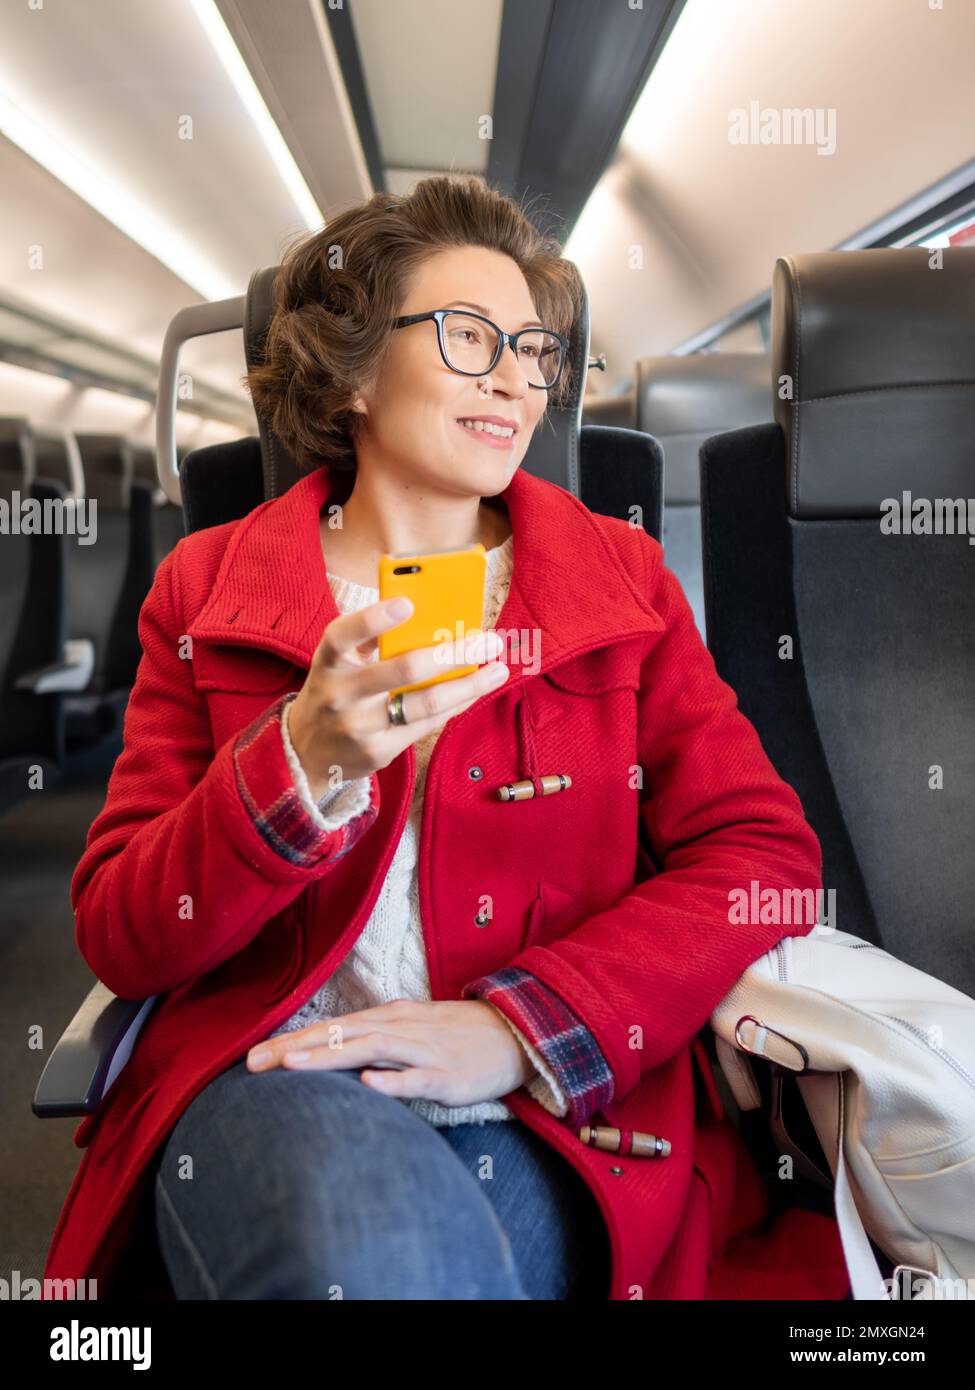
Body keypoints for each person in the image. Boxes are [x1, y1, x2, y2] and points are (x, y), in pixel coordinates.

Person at [47, 175, 846, 1302]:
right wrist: (299, 767)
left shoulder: (620, 582)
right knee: (379, 1259)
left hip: (550, 1106)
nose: (518, 377)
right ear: (356, 365)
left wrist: (521, 1029)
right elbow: (125, 933)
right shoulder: (208, 588)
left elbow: (761, 856)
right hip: (286, 1077)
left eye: (533, 346)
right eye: (471, 338)